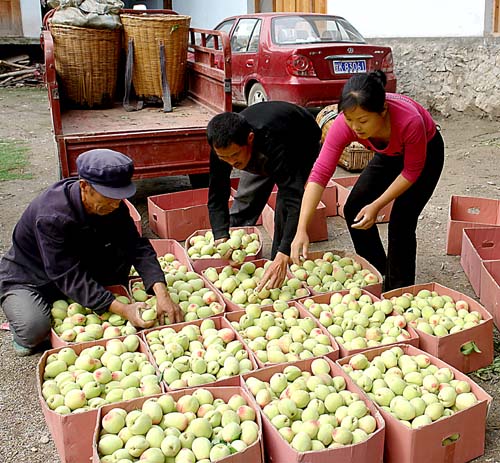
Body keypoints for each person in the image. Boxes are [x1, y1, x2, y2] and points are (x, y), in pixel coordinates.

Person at [0, 148, 182, 356]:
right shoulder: (52, 215)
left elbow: (136, 245)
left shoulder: (112, 205)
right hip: (32, 277)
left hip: (78, 264)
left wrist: (161, 293)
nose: (115, 204)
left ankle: (82, 298)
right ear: (84, 186)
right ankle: (19, 315)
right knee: (33, 329)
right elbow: (66, 274)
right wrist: (123, 310)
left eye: (120, 198)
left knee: (118, 259)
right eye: (109, 197)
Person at [291, 71, 444, 291]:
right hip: (388, 152)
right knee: (354, 207)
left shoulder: (410, 121)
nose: (355, 127)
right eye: (350, 119)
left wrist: (377, 205)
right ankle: (378, 274)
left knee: (402, 219)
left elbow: (410, 172)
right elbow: (320, 174)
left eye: (362, 120)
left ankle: (399, 290)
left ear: (382, 111)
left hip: (426, 152)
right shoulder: (345, 124)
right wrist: (301, 229)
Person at [206, 101, 322, 290]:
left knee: (285, 203)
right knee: (247, 196)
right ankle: (237, 248)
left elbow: (293, 198)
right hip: (264, 142)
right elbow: (217, 193)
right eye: (223, 158)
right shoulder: (221, 147)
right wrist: (221, 234)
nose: (230, 162)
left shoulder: (275, 143)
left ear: (250, 139)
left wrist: (284, 251)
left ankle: (280, 260)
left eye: (234, 155)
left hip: (301, 139)